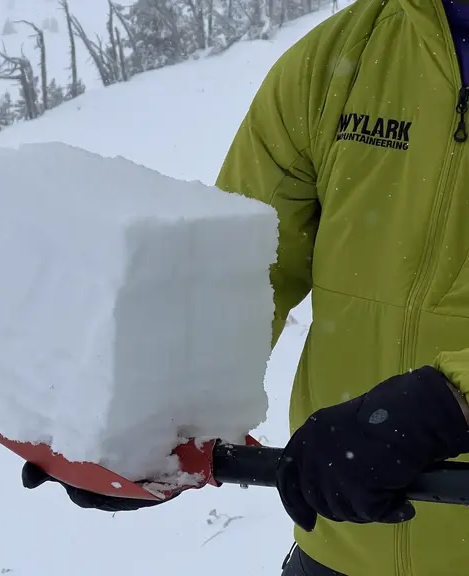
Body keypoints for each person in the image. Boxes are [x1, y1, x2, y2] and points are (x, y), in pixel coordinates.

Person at [23, 0, 469, 573]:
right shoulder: (339, 61)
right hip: (340, 539)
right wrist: (151, 419)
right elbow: (244, 274)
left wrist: (449, 402)